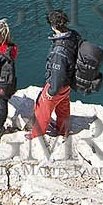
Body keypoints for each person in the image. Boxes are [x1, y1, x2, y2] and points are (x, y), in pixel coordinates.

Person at [29, 9, 79, 140]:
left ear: (53, 26)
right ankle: (63, 131)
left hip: (58, 84)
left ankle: (36, 134)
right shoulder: (73, 35)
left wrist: (51, 92)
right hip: (68, 82)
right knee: (63, 107)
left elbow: (57, 73)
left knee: (43, 107)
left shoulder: (58, 51)